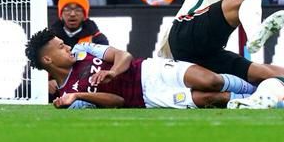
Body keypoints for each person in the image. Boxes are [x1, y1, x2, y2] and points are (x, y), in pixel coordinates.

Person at [155, 0, 284, 110]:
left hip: (207, 52)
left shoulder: (242, 3)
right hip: (185, 33)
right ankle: (254, 35)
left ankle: (257, 101)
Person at [26, 28, 251, 109]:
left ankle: (255, 87)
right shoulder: (69, 98)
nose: (67, 47)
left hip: (148, 70)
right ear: (48, 60)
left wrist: (113, 71)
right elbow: (118, 102)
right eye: (60, 47)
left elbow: (123, 55)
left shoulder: (84, 48)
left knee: (211, 80)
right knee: (211, 98)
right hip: (148, 99)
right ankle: (264, 100)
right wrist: (78, 95)